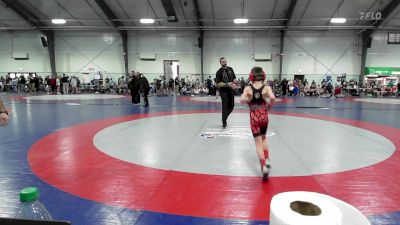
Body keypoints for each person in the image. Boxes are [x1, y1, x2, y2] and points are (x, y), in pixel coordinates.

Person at [240, 66, 275, 181]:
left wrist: (249, 101)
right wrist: (269, 106)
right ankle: (268, 159)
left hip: (254, 118)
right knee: (264, 138)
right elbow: (272, 98)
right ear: (263, 76)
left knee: (258, 143)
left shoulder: (248, 88)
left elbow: (241, 100)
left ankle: (263, 166)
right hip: (264, 117)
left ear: (251, 76)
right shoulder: (266, 88)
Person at [215, 57, 237, 128]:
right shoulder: (219, 72)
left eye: (225, 61)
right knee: (225, 106)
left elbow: (234, 78)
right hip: (223, 91)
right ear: (220, 63)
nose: (224, 62)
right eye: (222, 62)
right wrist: (227, 84)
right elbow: (218, 84)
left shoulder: (230, 69)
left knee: (232, 106)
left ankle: (224, 117)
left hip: (231, 90)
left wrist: (234, 83)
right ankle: (224, 121)